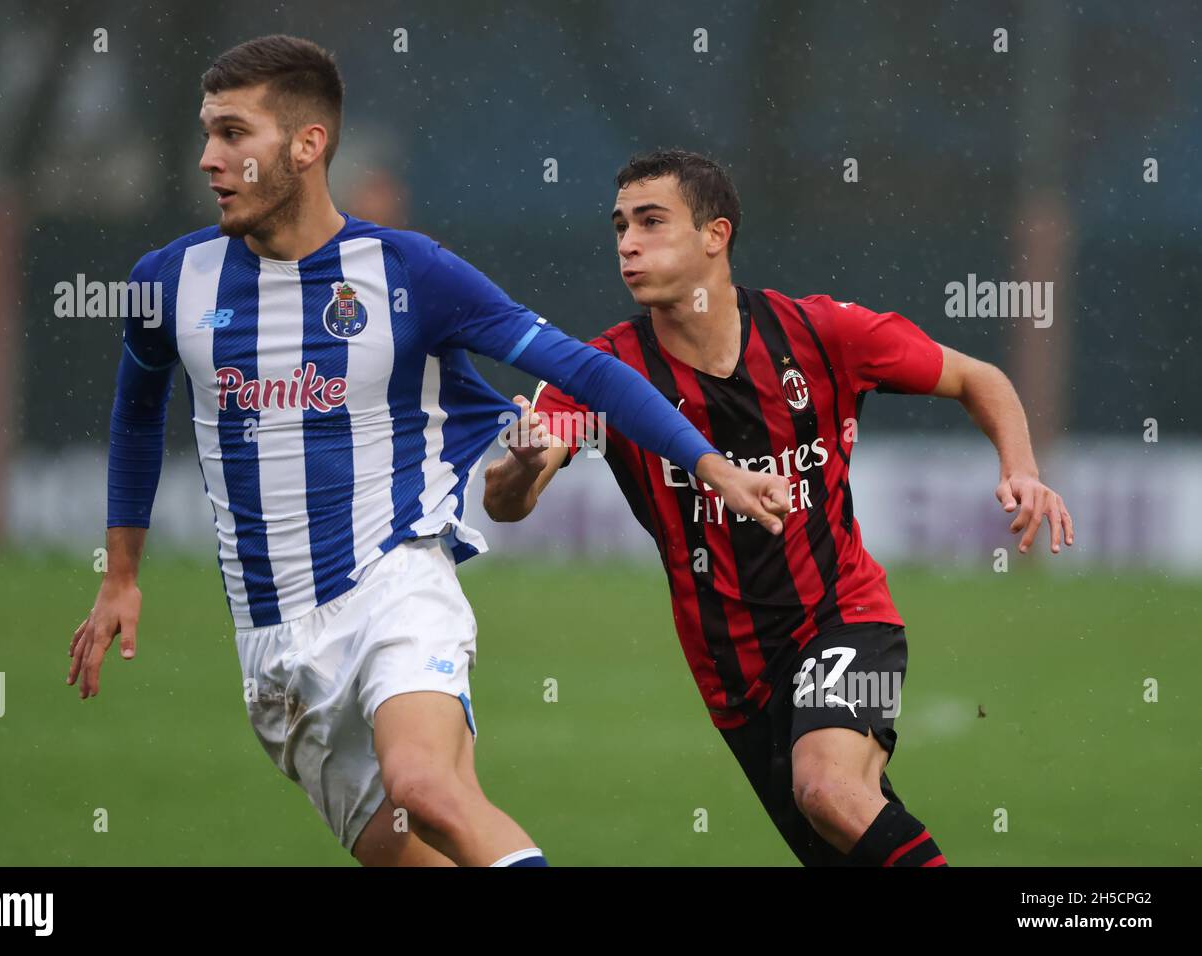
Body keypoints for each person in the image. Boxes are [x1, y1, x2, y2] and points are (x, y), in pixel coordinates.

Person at [66, 40, 788, 868]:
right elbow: (135, 410)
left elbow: (580, 368)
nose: (209, 159)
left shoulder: (408, 272)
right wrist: (121, 575)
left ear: (306, 146)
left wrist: (711, 464)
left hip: (395, 584)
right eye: (207, 134)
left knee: (425, 786)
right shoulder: (169, 282)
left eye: (234, 134)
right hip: (272, 645)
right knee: (424, 854)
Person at [484, 148, 1075, 866]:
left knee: (827, 789)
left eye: (651, 222)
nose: (628, 243)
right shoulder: (601, 372)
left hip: (846, 617)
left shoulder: (821, 333)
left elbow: (978, 378)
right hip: (733, 674)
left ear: (715, 235)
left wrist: (1021, 467)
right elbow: (511, 501)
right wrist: (518, 463)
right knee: (848, 830)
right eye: (619, 227)